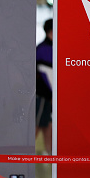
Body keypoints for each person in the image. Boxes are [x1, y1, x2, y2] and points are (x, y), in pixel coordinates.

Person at [36, 19, 53, 155]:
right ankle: (23, 157)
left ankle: (52, 157)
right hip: (42, 96)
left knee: (48, 126)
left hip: (47, 97)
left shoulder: (46, 48)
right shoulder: (44, 50)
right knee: (37, 126)